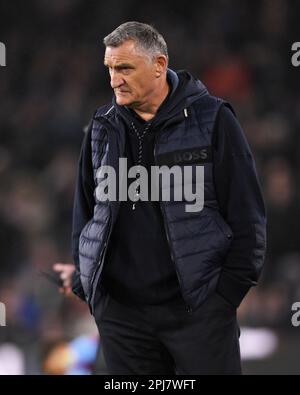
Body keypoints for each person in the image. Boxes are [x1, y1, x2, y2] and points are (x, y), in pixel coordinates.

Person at [65, 21, 266, 375]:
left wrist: (223, 298)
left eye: (124, 68)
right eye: (110, 69)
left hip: (198, 314)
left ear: (159, 65)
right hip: (123, 320)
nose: (114, 79)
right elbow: (85, 214)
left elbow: (248, 219)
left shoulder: (213, 120)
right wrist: (90, 288)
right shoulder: (101, 126)